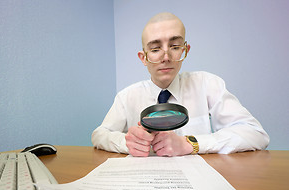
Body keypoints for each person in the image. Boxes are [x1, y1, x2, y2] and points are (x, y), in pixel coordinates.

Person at [91, 12, 269, 157]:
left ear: (185, 50)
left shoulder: (207, 84)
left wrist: (190, 144)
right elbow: (99, 134)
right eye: (155, 49)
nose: (166, 57)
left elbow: (256, 134)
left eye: (175, 46)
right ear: (143, 58)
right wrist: (126, 142)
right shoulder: (127, 96)